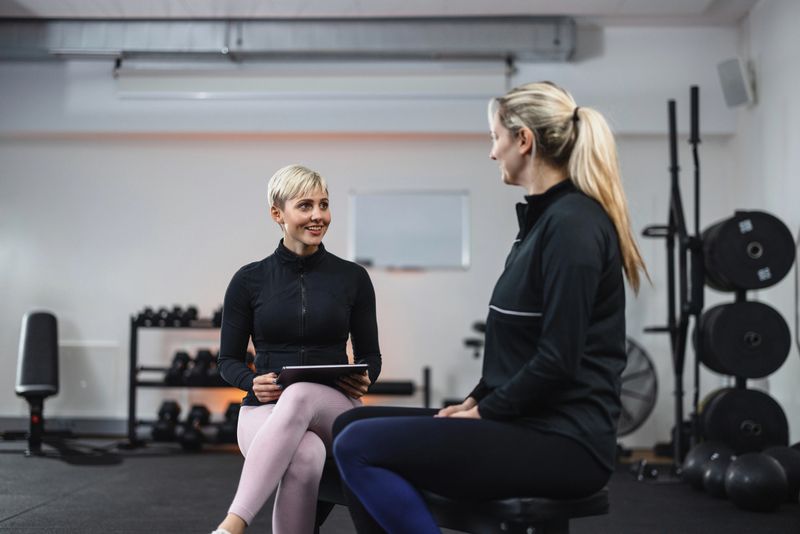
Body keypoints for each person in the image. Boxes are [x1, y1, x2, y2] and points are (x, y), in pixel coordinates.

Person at [332, 81, 648, 533]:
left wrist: (486, 414)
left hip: (566, 440)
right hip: (528, 422)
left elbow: (558, 359)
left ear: (524, 140)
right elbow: (517, 343)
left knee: (359, 444)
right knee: (351, 423)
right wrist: (475, 400)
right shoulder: (541, 222)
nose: (492, 152)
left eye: (495, 137)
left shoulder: (574, 226)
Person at [212, 164, 381, 534]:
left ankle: (233, 523)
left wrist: (365, 376)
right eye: (305, 206)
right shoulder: (248, 280)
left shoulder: (352, 278)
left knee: (303, 393)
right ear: (278, 213)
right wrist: (250, 382)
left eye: (324, 204)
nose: (318, 216)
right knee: (306, 455)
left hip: (334, 409)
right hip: (265, 411)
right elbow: (227, 359)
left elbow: (372, 355)